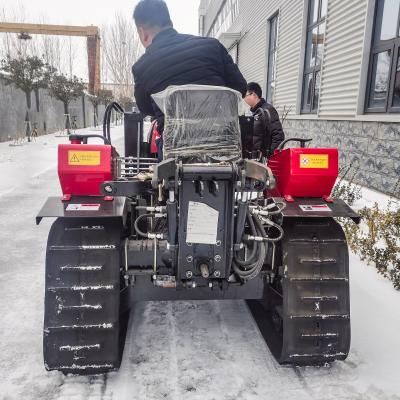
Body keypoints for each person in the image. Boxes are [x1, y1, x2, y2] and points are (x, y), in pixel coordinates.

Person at [132, 0, 247, 135]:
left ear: (142, 32)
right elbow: (240, 88)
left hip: (175, 151)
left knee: (159, 141)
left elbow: (147, 109)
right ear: (170, 23)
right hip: (222, 144)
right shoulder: (212, 46)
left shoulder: (142, 67)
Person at [244, 82, 285, 159]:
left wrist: (270, 156)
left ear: (254, 95)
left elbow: (278, 136)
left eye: (245, 96)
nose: (244, 99)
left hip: (263, 160)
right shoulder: (256, 112)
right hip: (254, 160)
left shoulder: (268, 110)